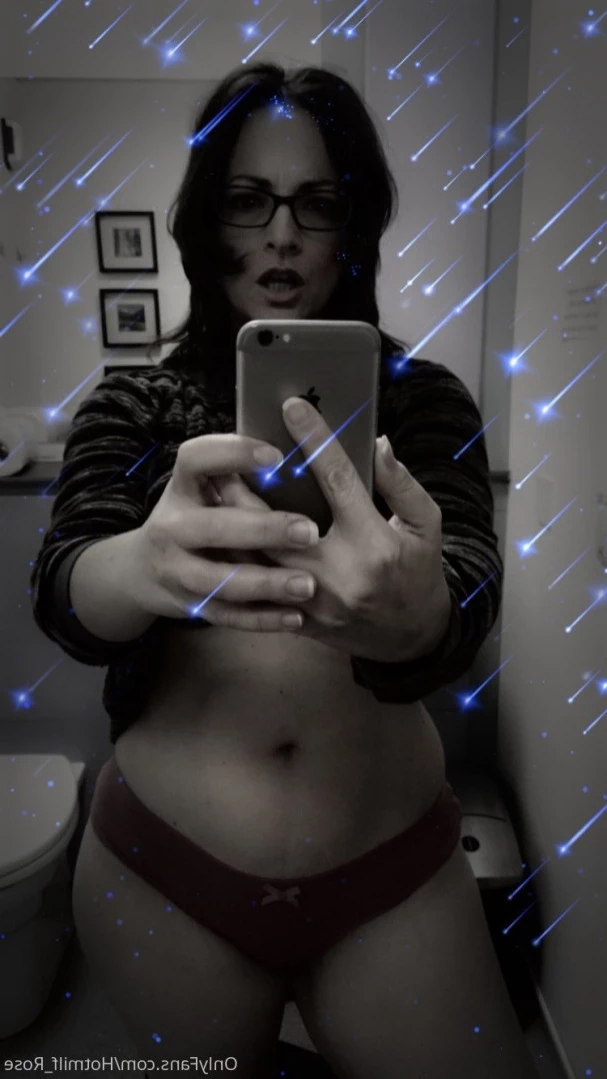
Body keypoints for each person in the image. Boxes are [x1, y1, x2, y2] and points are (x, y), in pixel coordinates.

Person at [30, 64, 539, 1079]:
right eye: (247, 199)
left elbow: (468, 584)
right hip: (165, 869)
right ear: (204, 219)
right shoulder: (133, 406)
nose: (281, 233)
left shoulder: (425, 400)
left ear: (354, 225)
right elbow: (64, 583)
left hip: (393, 870)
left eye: (317, 202)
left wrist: (420, 612)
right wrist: (144, 564)